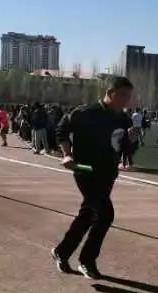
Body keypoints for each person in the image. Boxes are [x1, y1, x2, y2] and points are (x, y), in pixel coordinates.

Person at [51, 75, 134, 279]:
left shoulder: (123, 119)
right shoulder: (85, 113)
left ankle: (62, 251)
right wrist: (67, 154)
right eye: (123, 95)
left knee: (89, 214)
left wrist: (131, 141)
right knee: (105, 214)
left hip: (108, 173)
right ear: (110, 93)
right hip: (86, 170)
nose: (126, 100)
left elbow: (123, 147)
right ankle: (86, 261)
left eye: (129, 96)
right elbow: (62, 130)